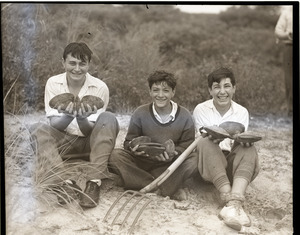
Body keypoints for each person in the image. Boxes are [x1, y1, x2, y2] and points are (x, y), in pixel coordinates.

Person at [29, 42, 119, 208]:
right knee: (36, 128)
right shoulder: (53, 83)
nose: (77, 68)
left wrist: (82, 118)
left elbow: (90, 130)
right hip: (64, 142)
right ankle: (64, 183)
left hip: (90, 144)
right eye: (72, 63)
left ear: (88, 65)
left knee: (108, 118)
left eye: (82, 63)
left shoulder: (100, 87)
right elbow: (55, 124)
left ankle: (94, 182)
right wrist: (70, 115)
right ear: (63, 62)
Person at [109, 70, 198, 200]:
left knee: (195, 160)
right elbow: (128, 142)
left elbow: (188, 145)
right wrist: (134, 149)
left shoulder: (185, 116)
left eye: (166, 90)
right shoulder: (140, 113)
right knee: (115, 155)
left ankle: (142, 183)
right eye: (156, 90)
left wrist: (173, 153)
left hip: (169, 167)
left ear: (173, 92)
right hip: (142, 163)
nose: (160, 95)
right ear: (150, 91)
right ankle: (157, 186)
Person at [193, 67, 260, 228]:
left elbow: (236, 144)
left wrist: (243, 141)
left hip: (231, 167)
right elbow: (206, 142)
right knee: (205, 140)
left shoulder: (242, 112)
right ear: (210, 90)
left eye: (227, 86)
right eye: (217, 87)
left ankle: (235, 202)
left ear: (234, 88)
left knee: (249, 147)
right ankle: (227, 198)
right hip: (209, 167)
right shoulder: (201, 109)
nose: (222, 92)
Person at [275, 6, 293, 116]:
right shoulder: (287, 12)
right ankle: (291, 109)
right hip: (290, 47)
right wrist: (288, 34)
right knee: (289, 79)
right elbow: (278, 31)